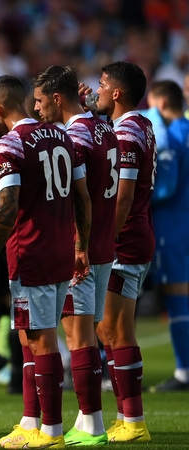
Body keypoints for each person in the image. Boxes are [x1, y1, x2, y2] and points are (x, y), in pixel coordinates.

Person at [0, 74, 91, 449]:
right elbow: (83, 198)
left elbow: (6, 209)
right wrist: (80, 245)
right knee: (29, 336)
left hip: (31, 252)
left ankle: (51, 430)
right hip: (60, 250)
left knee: (41, 340)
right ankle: (31, 421)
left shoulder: (9, 145)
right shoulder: (64, 136)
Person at [32, 65, 120, 446]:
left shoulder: (71, 138)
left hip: (78, 248)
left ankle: (94, 425)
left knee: (78, 336)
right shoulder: (104, 127)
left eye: (39, 101)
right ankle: (87, 420)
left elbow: (72, 197)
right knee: (85, 334)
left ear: (56, 99)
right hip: (103, 244)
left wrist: (73, 246)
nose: (36, 110)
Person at [92, 61, 155, 443]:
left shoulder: (128, 133)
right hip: (131, 238)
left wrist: (104, 239)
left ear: (116, 93)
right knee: (107, 330)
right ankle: (126, 417)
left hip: (124, 241)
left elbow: (124, 195)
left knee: (116, 330)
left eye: (100, 85)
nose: (95, 89)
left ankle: (134, 420)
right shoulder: (139, 123)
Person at [142, 80, 189, 392]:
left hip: (171, 225)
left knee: (176, 294)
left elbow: (166, 187)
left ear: (159, 102)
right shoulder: (186, 129)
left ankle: (185, 372)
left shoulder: (171, 136)